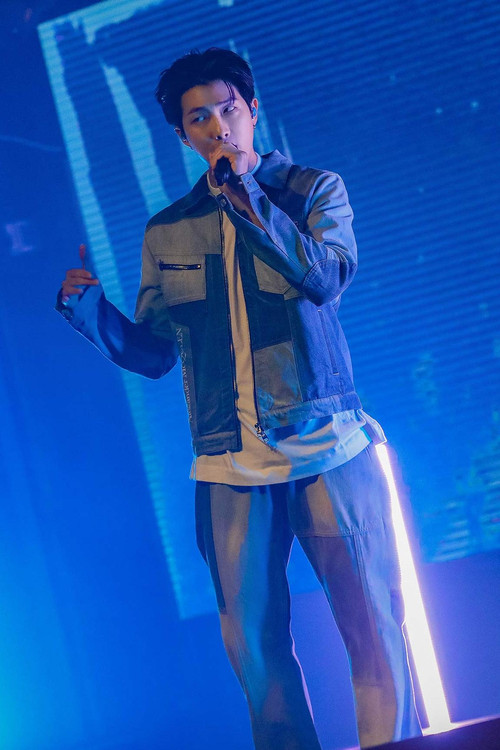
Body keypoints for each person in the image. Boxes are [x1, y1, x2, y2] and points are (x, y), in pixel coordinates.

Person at [58, 47, 421, 750]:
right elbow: (156, 353)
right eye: (200, 118)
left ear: (252, 110)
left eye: (228, 109)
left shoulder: (313, 191)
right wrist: (91, 314)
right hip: (228, 464)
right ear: (183, 135)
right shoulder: (169, 230)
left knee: (374, 634)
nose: (218, 126)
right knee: (255, 656)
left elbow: (324, 280)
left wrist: (249, 199)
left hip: (328, 446)